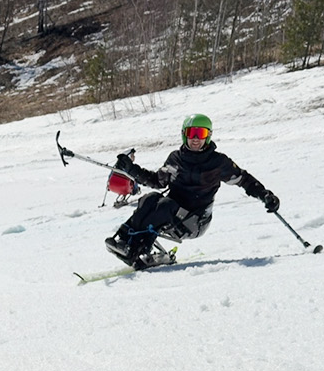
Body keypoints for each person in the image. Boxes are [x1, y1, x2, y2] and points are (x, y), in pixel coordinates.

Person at [103, 113, 279, 268]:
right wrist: (131, 169)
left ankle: (136, 249)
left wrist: (265, 195)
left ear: (208, 136)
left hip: (195, 221)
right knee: (150, 198)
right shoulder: (175, 159)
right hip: (172, 214)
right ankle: (123, 240)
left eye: (200, 134)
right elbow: (157, 181)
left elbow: (244, 180)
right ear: (184, 135)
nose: (195, 139)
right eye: (191, 133)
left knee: (165, 205)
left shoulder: (218, 162)